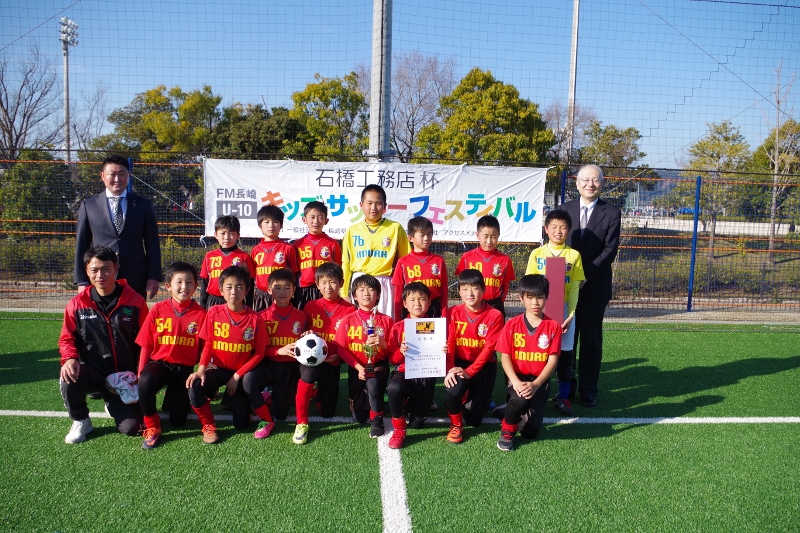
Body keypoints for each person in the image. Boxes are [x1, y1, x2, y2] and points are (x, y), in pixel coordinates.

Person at [59, 246, 148, 443]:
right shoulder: (77, 304)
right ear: (87, 271)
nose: (100, 275)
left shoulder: (135, 301)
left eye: (106, 269)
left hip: (124, 378)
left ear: (116, 269)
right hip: (94, 372)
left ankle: (112, 402)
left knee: (133, 428)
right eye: (95, 270)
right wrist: (70, 358)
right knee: (68, 375)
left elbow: (146, 341)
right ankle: (81, 420)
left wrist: (140, 373)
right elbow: (67, 339)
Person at [186, 265, 270, 444]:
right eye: (229, 287)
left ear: (247, 290)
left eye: (239, 287)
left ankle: (241, 402)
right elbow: (208, 344)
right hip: (217, 368)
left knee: (241, 425)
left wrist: (237, 376)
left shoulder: (255, 318)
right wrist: (201, 369)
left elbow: (260, 353)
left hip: (240, 373)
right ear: (221, 289)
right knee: (195, 385)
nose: (234, 292)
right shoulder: (213, 312)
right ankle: (208, 425)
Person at [561, 164, 621, 407]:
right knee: (566, 340)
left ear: (602, 184)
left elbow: (610, 250)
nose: (590, 184)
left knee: (591, 341)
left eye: (595, 180)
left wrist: (584, 275)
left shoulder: (612, 212)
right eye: (585, 179)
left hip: (595, 286)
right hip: (565, 287)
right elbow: (556, 244)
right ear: (577, 183)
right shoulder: (564, 209)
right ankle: (565, 387)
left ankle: (588, 388)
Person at [135, 261, 206, 449]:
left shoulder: (201, 314)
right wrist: (141, 372)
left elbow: (205, 349)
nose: (184, 287)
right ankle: (152, 426)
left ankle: (175, 396)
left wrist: (202, 371)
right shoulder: (158, 309)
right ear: (168, 286)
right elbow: (146, 343)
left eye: (189, 282)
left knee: (178, 422)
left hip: (183, 369)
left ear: (195, 286)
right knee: (145, 381)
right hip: (160, 365)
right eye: (179, 282)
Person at [74, 154, 161, 300]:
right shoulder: (89, 205)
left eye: (121, 174)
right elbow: (82, 245)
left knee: (133, 313)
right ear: (102, 176)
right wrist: (81, 280)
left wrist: (154, 276)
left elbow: (152, 243)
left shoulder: (143, 205)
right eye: (112, 174)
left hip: (135, 276)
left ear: (129, 175)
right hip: (100, 276)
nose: (117, 179)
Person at [524, 209, 585, 416]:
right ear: (546, 229)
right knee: (538, 352)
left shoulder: (574, 255)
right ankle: (534, 391)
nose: (558, 231)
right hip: (539, 311)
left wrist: (570, 315)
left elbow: (575, 287)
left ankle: (563, 396)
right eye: (554, 227)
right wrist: (532, 312)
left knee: (565, 355)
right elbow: (530, 287)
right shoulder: (537, 254)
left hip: (565, 310)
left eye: (563, 227)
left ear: (569, 230)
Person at [496, 274, 562, 452]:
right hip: (517, 377)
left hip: (539, 381)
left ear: (546, 298)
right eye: (530, 297)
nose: (535, 303)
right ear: (521, 298)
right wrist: (516, 382)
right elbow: (505, 357)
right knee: (519, 399)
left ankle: (508, 410)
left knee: (530, 432)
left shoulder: (553, 326)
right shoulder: (512, 325)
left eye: (540, 297)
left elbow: (553, 360)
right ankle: (507, 430)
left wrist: (536, 384)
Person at [443, 269, 504, 443]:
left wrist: (470, 372)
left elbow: (488, 349)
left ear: (483, 290)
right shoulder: (452, 312)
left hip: (483, 365)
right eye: (464, 288)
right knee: (453, 390)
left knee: (474, 420)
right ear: (459, 291)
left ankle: (468, 398)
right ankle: (456, 425)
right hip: (459, 363)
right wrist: (450, 370)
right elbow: (450, 343)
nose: (469, 293)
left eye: (475, 288)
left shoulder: (495, 315)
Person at [244, 268, 307, 437]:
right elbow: (258, 350)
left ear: (294, 290)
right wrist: (278, 351)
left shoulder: (302, 317)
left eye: (287, 287)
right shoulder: (261, 317)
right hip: (269, 365)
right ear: (269, 290)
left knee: (281, 413)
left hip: (290, 368)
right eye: (278, 288)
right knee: (248, 379)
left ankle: (270, 396)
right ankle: (266, 419)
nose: (282, 292)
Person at [334, 274, 394, 438]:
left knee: (373, 384)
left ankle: (377, 419)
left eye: (371, 289)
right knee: (359, 418)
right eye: (361, 290)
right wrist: (358, 367)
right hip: (357, 367)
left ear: (378, 295)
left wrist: (383, 344)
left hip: (378, 364)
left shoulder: (387, 320)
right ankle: (369, 401)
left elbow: (394, 351)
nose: (366, 293)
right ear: (354, 295)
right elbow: (341, 349)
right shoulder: (348, 320)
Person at [385, 282, 443, 449]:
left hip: (425, 374)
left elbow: (441, 358)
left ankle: (412, 404)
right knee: (394, 388)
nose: (417, 303)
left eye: (422, 299)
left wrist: (444, 350)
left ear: (429, 302)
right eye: (412, 300)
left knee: (417, 424)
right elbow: (392, 360)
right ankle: (399, 429)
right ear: (405, 303)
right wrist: (401, 352)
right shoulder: (398, 327)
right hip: (404, 372)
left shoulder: (438, 327)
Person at [340, 184, 411, 319]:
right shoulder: (352, 230)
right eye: (369, 203)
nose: (373, 208)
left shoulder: (395, 228)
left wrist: (407, 290)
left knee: (385, 323)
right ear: (361, 205)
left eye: (378, 203)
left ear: (384, 207)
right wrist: (344, 292)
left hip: (384, 283)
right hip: (359, 283)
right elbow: (346, 263)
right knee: (359, 323)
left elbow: (406, 261)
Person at [302, 263, 354, 420]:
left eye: (332, 282)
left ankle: (318, 393)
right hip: (311, 361)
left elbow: (352, 340)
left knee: (328, 412)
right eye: (323, 282)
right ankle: (308, 389)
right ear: (317, 284)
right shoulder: (310, 306)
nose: (328, 287)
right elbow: (302, 335)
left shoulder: (350, 310)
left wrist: (339, 356)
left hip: (333, 360)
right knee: (306, 374)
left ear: (341, 283)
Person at [455, 215, 515, 319]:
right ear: (477, 235)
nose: (489, 241)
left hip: (495, 304)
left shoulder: (505, 259)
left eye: (493, 237)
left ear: (498, 235)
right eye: (485, 236)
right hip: (473, 305)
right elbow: (462, 282)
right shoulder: (467, 257)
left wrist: (499, 301)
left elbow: (505, 285)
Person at [391, 216, 448, 320]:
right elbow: (398, 293)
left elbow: (444, 290)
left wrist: (444, 315)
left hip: (433, 308)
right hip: (412, 309)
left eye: (429, 234)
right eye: (422, 235)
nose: (426, 238)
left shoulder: (439, 261)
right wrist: (397, 319)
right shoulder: (403, 262)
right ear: (410, 238)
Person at [292, 201, 342, 310]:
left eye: (320, 217)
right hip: (303, 290)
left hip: (325, 289)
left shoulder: (333, 244)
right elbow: (294, 271)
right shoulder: (297, 245)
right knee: (303, 318)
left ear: (326, 221)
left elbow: (338, 269)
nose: (316, 221)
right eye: (312, 217)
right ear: (304, 220)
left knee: (324, 318)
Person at [199, 215, 256, 310]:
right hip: (214, 301)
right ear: (215, 235)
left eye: (231, 234)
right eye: (223, 233)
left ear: (238, 235)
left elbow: (250, 285)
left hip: (236, 301)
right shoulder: (209, 256)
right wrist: (203, 307)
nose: (227, 237)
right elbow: (204, 283)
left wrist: (249, 306)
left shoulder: (244, 257)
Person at [251, 205, 300, 311]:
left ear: (281, 225)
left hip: (282, 295)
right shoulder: (256, 250)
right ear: (260, 226)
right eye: (267, 222)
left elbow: (294, 274)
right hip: (262, 295)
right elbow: (253, 275)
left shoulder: (288, 248)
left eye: (275, 222)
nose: (271, 225)